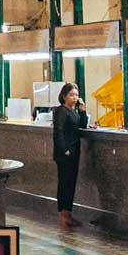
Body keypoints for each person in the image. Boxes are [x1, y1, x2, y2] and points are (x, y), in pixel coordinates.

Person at [52, 82, 90, 229]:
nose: (75, 98)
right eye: (71, 95)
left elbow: (82, 126)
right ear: (64, 96)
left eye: (76, 95)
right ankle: (63, 214)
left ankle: (67, 213)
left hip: (74, 152)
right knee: (64, 183)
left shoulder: (73, 112)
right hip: (65, 154)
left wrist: (82, 112)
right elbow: (58, 132)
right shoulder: (61, 111)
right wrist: (64, 149)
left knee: (70, 183)